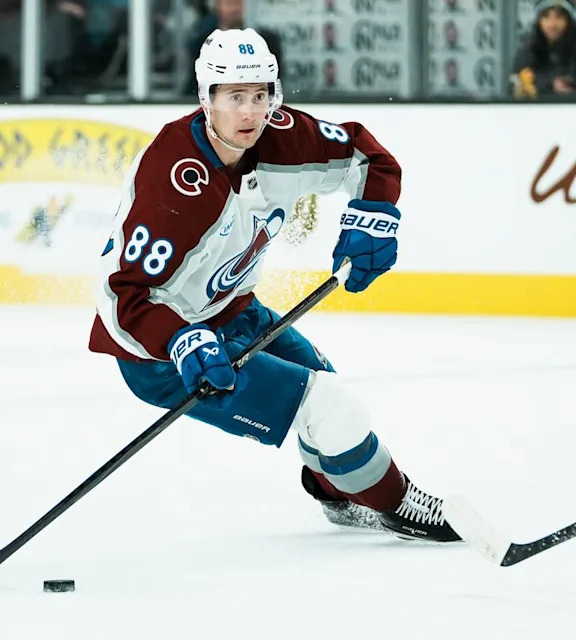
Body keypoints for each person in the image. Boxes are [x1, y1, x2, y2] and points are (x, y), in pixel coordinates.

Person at [89, 28, 462, 543]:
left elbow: (369, 158)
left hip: (236, 312)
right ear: (207, 100)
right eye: (235, 98)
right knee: (326, 405)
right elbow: (121, 297)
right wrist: (180, 339)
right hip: (160, 357)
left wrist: (373, 216)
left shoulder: (283, 135)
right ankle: (403, 506)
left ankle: (334, 490)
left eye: (260, 96)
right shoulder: (174, 182)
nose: (250, 113)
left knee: (324, 387)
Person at [511, 0, 576, 99]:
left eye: (559, 17)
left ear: (569, 21)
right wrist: (550, 85)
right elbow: (516, 87)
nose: (552, 24)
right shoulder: (528, 50)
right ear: (539, 21)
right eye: (546, 17)